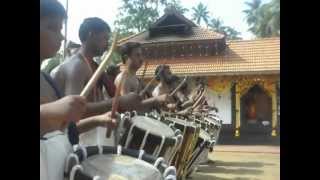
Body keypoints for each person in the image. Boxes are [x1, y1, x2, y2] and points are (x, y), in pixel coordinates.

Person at [40, 1, 117, 179]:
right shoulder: (76, 67)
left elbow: (62, 132)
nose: (61, 37)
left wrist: (98, 120)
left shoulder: (47, 81)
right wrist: (48, 110)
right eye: (52, 28)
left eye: (61, 30)